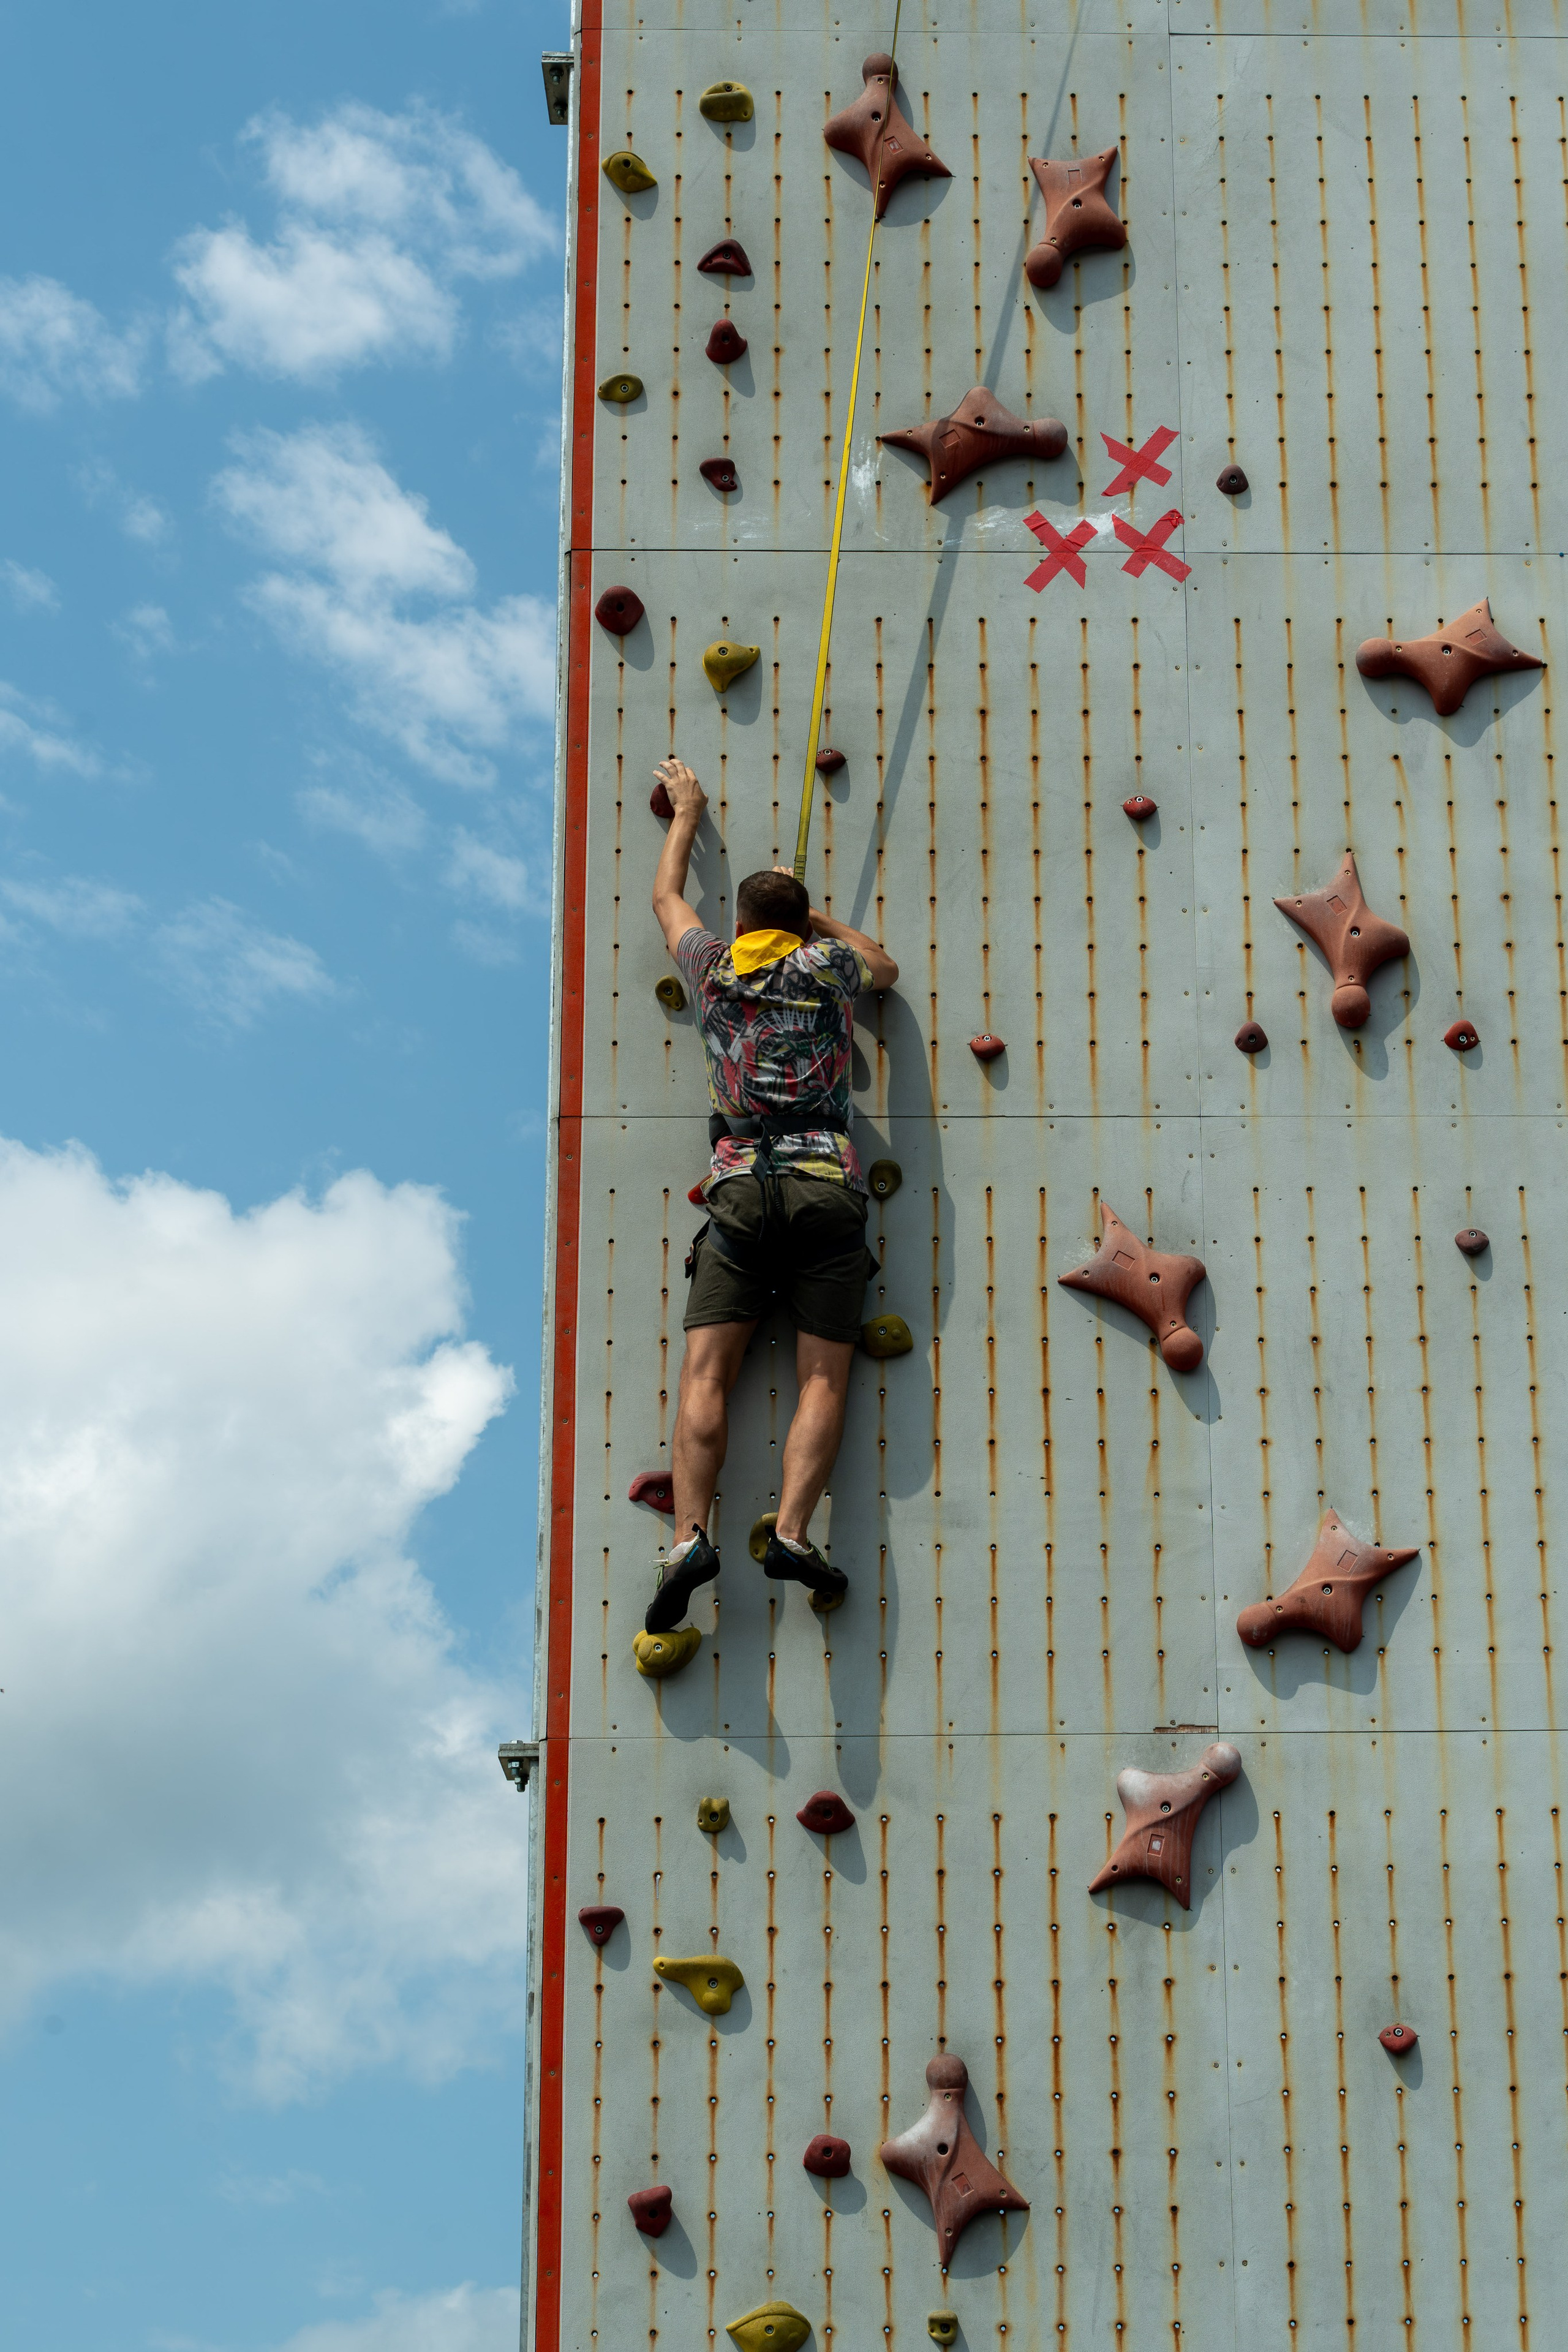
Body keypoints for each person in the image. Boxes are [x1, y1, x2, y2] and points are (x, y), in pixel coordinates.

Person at [644, 755, 899, 1635]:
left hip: (741, 1188)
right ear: (796, 926)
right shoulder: (825, 969)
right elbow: (884, 968)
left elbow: (667, 899)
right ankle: (792, 1532)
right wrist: (812, 911)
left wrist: (687, 811)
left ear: (742, 921)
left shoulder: (714, 967)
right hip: (826, 1183)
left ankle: (689, 1538)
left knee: (708, 1372)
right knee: (822, 1375)